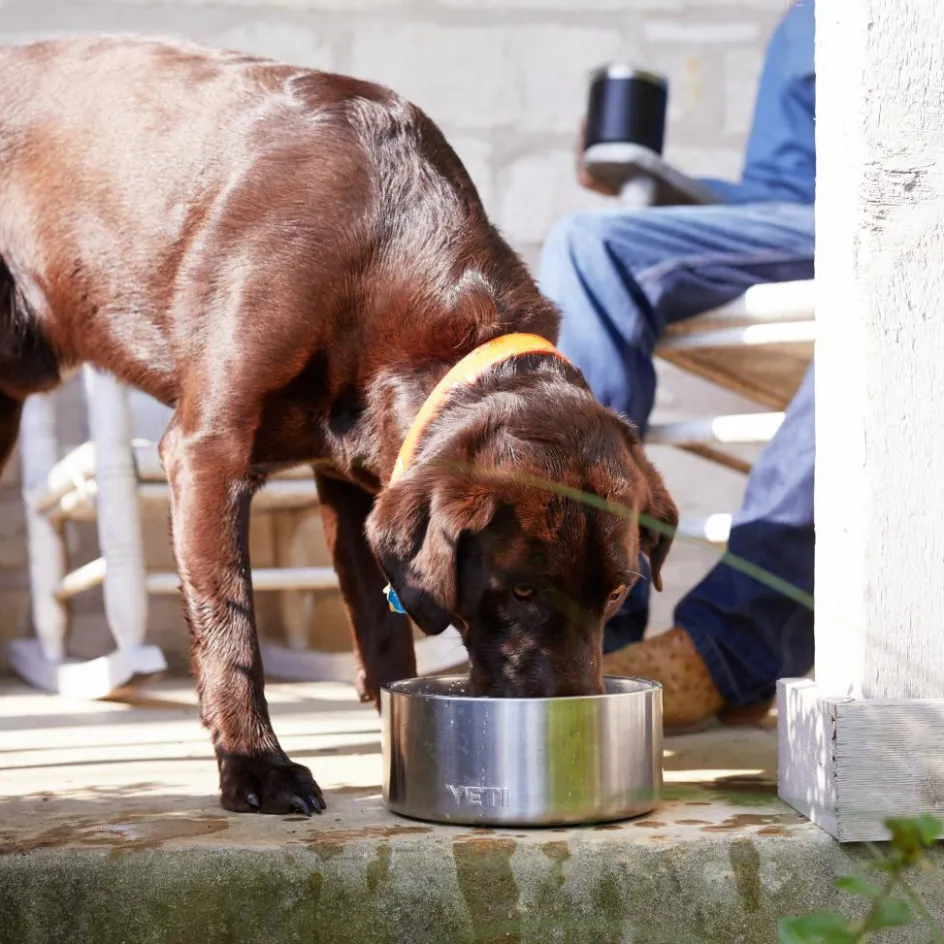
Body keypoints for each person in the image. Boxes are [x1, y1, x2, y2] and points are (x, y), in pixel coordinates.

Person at [539, 0, 815, 731]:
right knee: (587, 242)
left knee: (895, 280)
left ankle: (731, 644)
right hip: (813, 219)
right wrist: (659, 183)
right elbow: (781, 199)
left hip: (912, 223)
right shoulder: (810, 20)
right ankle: (594, 613)